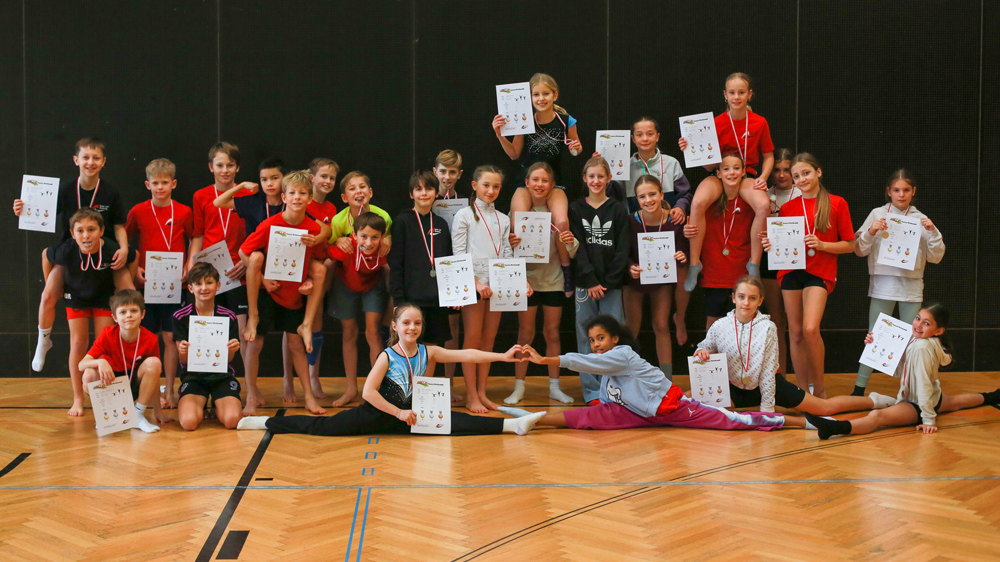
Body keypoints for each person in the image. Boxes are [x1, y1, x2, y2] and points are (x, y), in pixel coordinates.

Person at [237, 303, 546, 436]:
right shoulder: (387, 356)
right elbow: (368, 393)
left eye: (417, 323)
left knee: (460, 423)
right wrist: (397, 413)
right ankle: (264, 423)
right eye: (406, 323)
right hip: (376, 415)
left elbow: (467, 353)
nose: (412, 328)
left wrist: (502, 356)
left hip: (411, 416)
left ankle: (514, 427)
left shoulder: (429, 351)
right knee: (320, 428)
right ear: (395, 327)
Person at [505, 315, 805, 431]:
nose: (596, 345)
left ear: (615, 339)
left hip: (671, 407)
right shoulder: (607, 361)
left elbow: (584, 362)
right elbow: (602, 386)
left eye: (601, 338)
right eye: (593, 340)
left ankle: (798, 422)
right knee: (590, 416)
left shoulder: (621, 355)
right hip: (636, 411)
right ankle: (534, 419)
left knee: (731, 421)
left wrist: (545, 360)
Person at [14, 137, 130, 372]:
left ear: (103, 162)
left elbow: (119, 226)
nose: (90, 162)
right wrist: (23, 210)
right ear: (76, 160)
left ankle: (128, 349)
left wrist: (124, 248)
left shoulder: (110, 192)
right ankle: (43, 340)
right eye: (86, 157)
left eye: (96, 158)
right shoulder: (65, 190)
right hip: (70, 254)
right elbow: (40, 213)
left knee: (127, 293)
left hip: (102, 253)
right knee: (48, 295)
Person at [694, 276, 889, 416]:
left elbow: (768, 371)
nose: (746, 303)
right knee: (691, 398)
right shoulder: (719, 326)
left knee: (824, 409)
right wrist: (701, 351)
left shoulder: (768, 328)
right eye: (742, 297)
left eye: (752, 298)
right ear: (733, 298)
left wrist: (767, 409)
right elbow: (705, 345)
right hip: (735, 388)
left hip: (771, 386)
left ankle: (875, 401)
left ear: (760, 301)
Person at [807, 303, 1000, 439]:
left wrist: (928, 420)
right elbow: (904, 372)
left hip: (918, 404)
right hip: (932, 397)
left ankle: (834, 428)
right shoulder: (924, 342)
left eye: (926, 323)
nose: (918, 325)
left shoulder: (921, 347)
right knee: (957, 402)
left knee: (877, 417)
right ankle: (993, 395)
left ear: (939, 330)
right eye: (918, 318)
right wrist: (875, 348)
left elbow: (923, 383)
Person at [760, 153, 856, 398]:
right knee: (795, 333)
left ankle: (819, 390)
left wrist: (823, 245)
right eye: (796, 176)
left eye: (806, 173)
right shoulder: (788, 208)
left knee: (810, 329)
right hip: (790, 271)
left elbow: (850, 245)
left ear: (818, 172)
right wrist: (771, 245)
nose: (801, 179)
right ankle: (802, 393)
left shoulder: (837, 203)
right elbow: (782, 244)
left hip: (819, 272)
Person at [239, 170, 328, 416]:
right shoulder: (270, 224)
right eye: (292, 193)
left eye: (303, 193)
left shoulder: (312, 228)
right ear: (284, 197)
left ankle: (308, 397)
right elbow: (243, 252)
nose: (297, 197)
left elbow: (314, 261)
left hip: (292, 295)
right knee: (255, 345)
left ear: (309, 198)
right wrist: (263, 279)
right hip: (268, 292)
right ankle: (251, 395)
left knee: (296, 346)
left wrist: (308, 281)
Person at [851, 169, 945, 396]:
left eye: (906, 190)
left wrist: (932, 231)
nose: (901, 194)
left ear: (913, 192)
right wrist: (871, 231)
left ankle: (912, 389)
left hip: (911, 287)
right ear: (889, 191)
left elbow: (936, 257)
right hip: (883, 285)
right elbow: (859, 249)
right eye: (896, 190)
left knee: (914, 340)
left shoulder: (921, 219)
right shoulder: (877, 214)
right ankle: (859, 389)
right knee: (874, 336)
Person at [681, 73, 773, 290]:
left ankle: (753, 264)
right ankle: (695, 264)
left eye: (741, 92)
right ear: (725, 95)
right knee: (697, 203)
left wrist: (762, 178)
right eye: (732, 92)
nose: (736, 97)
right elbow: (709, 166)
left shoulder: (759, 122)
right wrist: (691, 149)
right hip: (719, 174)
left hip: (746, 175)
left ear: (749, 94)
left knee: (763, 205)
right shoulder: (715, 123)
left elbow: (768, 156)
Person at [493, 73, 581, 293]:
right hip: (526, 182)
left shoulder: (566, 121)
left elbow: (576, 150)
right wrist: (499, 134)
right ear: (529, 97)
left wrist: (576, 148)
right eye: (536, 94)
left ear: (555, 95)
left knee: (562, 222)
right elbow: (514, 154)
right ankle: (518, 270)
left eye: (546, 94)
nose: (541, 98)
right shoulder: (525, 120)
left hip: (554, 183)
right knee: (517, 222)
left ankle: (567, 270)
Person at [48, 208, 136, 416]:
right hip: (76, 298)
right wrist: (53, 287)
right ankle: (78, 398)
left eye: (91, 230)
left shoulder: (112, 249)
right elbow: (46, 256)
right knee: (78, 344)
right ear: (72, 233)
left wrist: (126, 283)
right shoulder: (66, 249)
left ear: (102, 231)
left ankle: (106, 396)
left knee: (105, 346)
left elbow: (133, 256)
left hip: (103, 298)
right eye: (80, 231)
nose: (86, 235)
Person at [504, 162, 579, 405]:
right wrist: (510, 242)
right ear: (527, 183)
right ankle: (519, 387)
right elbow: (504, 249)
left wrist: (569, 241)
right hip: (526, 281)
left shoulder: (557, 211)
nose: (539, 184)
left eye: (545, 180)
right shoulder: (516, 213)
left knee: (552, 333)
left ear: (552, 184)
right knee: (525, 333)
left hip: (554, 281)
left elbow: (572, 250)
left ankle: (555, 387)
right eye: (535, 180)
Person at [452, 165, 523, 413]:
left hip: (496, 287)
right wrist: (476, 283)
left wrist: (518, 282)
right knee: (472, 339)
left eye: (496, 186)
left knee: (489, 339)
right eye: (486, 185)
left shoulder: (503, 219)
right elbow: (458, 254)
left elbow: (507, 255)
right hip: (473, 285)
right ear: (474, 185)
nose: (491, 191)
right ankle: (471, 395)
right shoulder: (463, 215)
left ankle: (482, 392)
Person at [125, 158, 193, 408]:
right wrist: (135, 268)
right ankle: (149, 393)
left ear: (173, 184)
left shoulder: (184, 211)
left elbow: (195, 237)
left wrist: (189, 264)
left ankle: (171, 390)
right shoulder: (138, 211)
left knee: (171, 338)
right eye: (155, 183)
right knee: (146, 338)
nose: (160, 187)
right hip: (147, 284)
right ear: (148, 185)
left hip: (176, 285)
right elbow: (124, 242)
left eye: (165, 182)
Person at [388, 171, 460, 393]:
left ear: (436, 192)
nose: (424, 193)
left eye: (428, 188)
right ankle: (406, 391)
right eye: (418, 189)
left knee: (431, 348)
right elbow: (396, 264)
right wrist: (399, 300)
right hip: (411, 299)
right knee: (409, 348)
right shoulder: (402, 222)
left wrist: (453, 294)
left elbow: (448, 262)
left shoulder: (441, 224)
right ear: (411, 194)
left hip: (436, 299)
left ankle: (424, 393)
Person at [568, 157, 631, 405]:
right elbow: (579, 249)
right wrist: (591, 280)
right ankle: (593, 391)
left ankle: (615, 389)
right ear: (585, 178)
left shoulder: (618, 209)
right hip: (585, 284)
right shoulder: (575, 209)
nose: (596, 181)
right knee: (586, 336)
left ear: (609, 178)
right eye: (591, 176)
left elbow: (623, 250)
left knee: (614, 335)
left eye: (600, 176)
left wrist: (608, 282)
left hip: (611, 285)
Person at [188, 142, 251, 378]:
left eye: (230, 165)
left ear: (238, 168)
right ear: (210, 167)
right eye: (220, 165)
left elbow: (257, 233)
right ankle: (210, 380)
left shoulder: (249, 195)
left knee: (242, 332)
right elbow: (198, 234)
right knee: (209, 329)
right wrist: (191, 264)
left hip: (238, 271)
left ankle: (248, 387)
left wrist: (246, 261)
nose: (225, 170)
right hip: (209, 271)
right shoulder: (201, 196)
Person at [624, 175, 689, 380]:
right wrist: (630, 267)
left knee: (661, 325)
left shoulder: (675, 219)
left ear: (661, 194)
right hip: (636, 280)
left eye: (652, 194)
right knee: (631, 327)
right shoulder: (630, 220)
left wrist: (682, 255)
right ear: (636, 199)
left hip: (662, 280)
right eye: (642, 197)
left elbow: (684, 251)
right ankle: (625, 377)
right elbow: (622, 252)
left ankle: (666, 381)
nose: (648, 200)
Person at [80, 289, 168, 433]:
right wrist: (100, 362)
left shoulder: (150, 338)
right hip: (111, 384)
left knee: (154, 363)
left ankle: (138, 415)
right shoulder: (107, 334)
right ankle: (106, 414)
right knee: (88, 374)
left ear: (142, 314)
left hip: (133, 385)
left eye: (134, 311)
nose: (128, 315)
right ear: (114, 317)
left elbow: (155, 375)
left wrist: (158, 411)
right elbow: (81, 364)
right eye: (123, 312)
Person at [683, 154, 755, 329]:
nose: (732, 173)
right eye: (726, 169)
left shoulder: (751, 203)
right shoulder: (709, 202)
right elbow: (693, 222)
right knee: (713, 324)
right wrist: (687, 230)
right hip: (715, 273)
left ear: (744, 172)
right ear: (718, 174)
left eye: (736, 168)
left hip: (742, 271)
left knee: (745, 325)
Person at [327, 212, 390, 407]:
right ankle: (351, 389)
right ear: (354, 235)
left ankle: (377, 389)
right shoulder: (346, 249)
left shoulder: (384, 251)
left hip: (373, 287)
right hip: (345, 286)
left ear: (382, 237)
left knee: (373, 333)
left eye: (375, 237)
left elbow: (391, 272)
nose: (369, 243)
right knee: (349, 333)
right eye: (363, 236)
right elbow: (326, 258)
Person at [171, 263, 243, 431]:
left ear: (218, 286)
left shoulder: (229, 316)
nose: (204, 288)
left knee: (232, 421)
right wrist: (183, 351)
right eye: (198, 284)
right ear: (190, 288)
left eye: (209, 282)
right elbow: (183, 361)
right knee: (189, 423)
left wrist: (232, 349)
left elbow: (229, 359)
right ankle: (201, 403)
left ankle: (218, 403)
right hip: (194, 377)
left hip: (222, 376)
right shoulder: (180, 317)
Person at [292, 157, 340, 401]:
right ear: (312, 178)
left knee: (315, 321)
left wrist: (327, 237)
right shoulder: (300, 201)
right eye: (324, 176)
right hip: (296, 270)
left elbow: (330, 236)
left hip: (319, 271)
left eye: (332, 178)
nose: (328, 181)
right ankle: (288, 382)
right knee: (291, 326)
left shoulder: (331, 209)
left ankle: (313, 377)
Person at [759, 149, 800, 375]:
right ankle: (780, 376)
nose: (782, 175)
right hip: (769, 259)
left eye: (786, 170)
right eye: (776, 170)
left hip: (797, 260)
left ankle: (805, 378)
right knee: (776, 321)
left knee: (798, 324)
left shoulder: (802, 193)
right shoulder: (762, 195)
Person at [432, 150, 465, 399]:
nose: (447, 176)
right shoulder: (425, 198)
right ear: (435, 172)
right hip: (429, 272)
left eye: (452, 172)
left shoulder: (466, 203)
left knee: (453, 327)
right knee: (429, 328)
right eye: (443, 171)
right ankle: (428, 385)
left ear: (459, 174)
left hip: (455, 270)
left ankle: (449, 383)